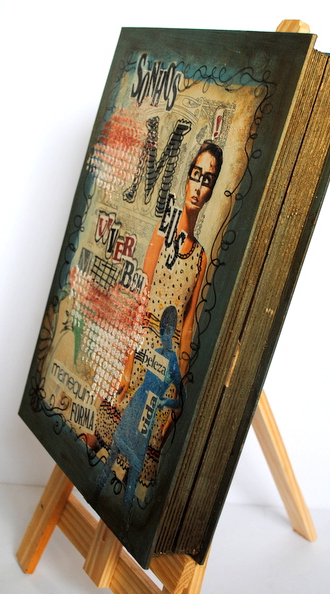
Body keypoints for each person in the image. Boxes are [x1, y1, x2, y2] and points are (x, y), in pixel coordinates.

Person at [93, 140, 223, 502]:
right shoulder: (162, 233)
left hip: (166, 368)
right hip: (140, 353)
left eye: (208, 180)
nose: (199, 186)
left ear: (211, 190)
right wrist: (126, 364)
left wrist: (179, 387)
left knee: (138, 471)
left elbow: (187, 327)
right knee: (105, 441)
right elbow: (139, 298)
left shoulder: (201, 258)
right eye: (196, 175)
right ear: (187, 179)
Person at [92, 306, 183, 523]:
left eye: (169, 330)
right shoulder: (155, 352)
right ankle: (94, 494)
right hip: (136, 403)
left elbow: (182, 399)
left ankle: (125, 520)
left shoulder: (173, 361)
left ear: (173, 331)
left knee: (134, 469)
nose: (166, 334)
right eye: (163, 330)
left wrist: (164, 402)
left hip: (148, 413)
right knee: (113, 453)